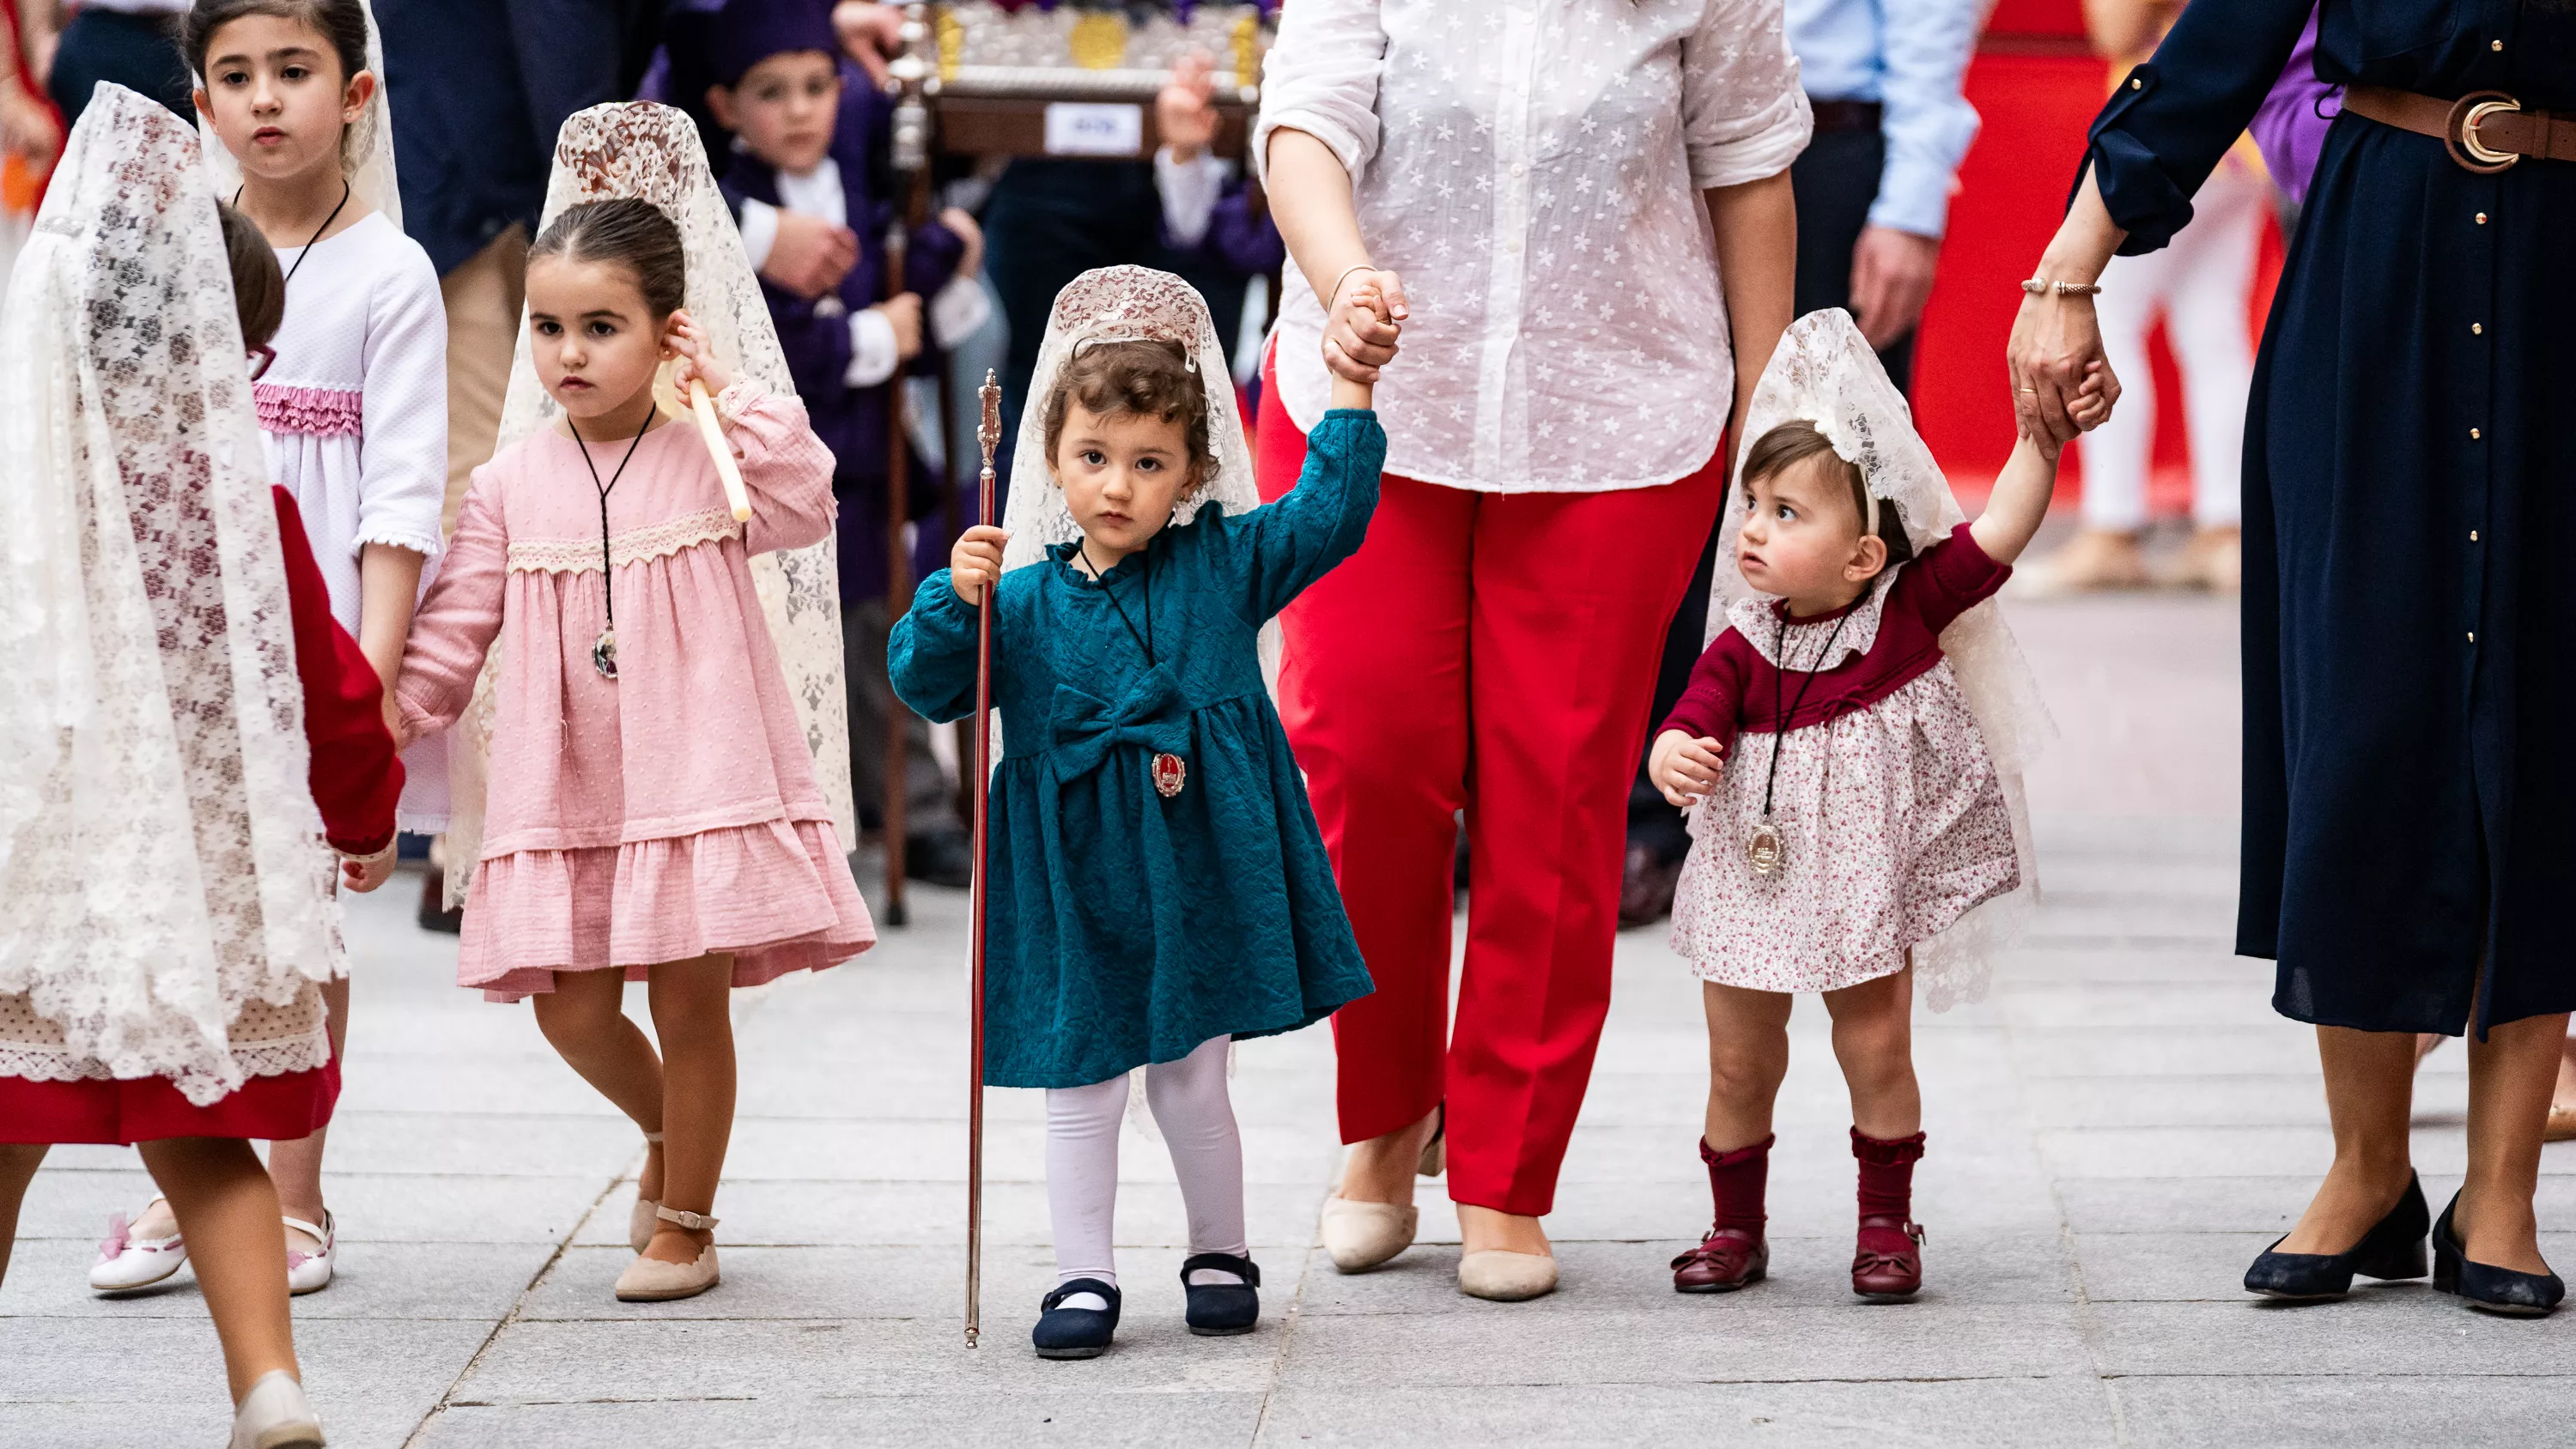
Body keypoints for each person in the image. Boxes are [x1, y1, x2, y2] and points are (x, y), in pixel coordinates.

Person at [2010, 0, 2573, 1317]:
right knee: (2363, 713)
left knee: (2547, 722)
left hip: (2564, 281)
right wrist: (2067, 275)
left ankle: (2502, 1193)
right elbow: (2217, 50)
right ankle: (2366, 1167)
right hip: (2376, 284)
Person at [1254, 0, 1809, 1300]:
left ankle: (1508, 1168)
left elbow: (1748, 164)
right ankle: (1384, 1121)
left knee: (1560, 786)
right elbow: (1303, 125)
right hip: (1368, 398)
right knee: (1360, 747)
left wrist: (1771, 420)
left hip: (1620, 417)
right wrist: (1347, 290)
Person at [0, 88, 402, 1449]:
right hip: (203, 883)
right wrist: (362, 814)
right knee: (206, 1140)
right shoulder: (241, 513)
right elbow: (332, 688)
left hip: (43, 882)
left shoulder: (20, 497)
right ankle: (269, 1390)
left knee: (2, 1135)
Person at [890, 265, 1382, 1359]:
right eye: (1094, 457)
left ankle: (1220, 1247)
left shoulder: (1225, 562)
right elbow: (927, 684)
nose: (1118, 484)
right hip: (1073, 872)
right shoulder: (1016, 596)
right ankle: (1081, 1273)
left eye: (1149, 462)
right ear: (1053, 461)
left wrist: (1349, 391)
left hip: (1199, 858)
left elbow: (1332, 514)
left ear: (1194, 473)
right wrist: (948, 594)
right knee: (1083, 1074)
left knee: (1193, 1074)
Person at [396, 192, 876, 1303]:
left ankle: (689, 1225)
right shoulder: (510, 482)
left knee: (688, 1003)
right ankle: (669, 1136)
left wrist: (729, 393)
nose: (569, 352)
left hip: (695, 770)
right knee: (571, 1007)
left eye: (601, 327)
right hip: (566, 784)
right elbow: (459, 624)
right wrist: (393, 711)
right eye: (549, 327)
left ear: (667, 331)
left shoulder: (711, 456)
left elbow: (807, 505)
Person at [99, 0, 445, 1300]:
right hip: (182, 632)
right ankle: (183, 1182)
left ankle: (295, 1198)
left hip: (318, 635)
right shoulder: (170, 250)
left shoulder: (390, 273)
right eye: (232, 75)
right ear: (197, 97)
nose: (263, 100)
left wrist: (381, 675)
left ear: (354, 92)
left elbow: (405, 491)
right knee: (181, 910)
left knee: (301, 927)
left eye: (293, 71)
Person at [1651, 311, 2087, 1298]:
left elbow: (2000, 535)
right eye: (1753, 504)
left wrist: (2037, 441)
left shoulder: (1904, 609)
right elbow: (1695, 708)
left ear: (1863, 554)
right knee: (1738, 1055)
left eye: (1789, 513)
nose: (1755, 527)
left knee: (1877, 1038)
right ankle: (1735, 1224)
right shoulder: (1743, 638)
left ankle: (1887, 1221)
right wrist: (1676, 746)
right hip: (1752, 876)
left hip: (1859, 874)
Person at [1624, 0, 1982, 925]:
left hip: (1826, 157)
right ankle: (1647, 783)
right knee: (1656, 468)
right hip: (1655, 146)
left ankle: (1840, 795)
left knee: (1826, 492)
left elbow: (1933, 21)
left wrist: (1909, 204)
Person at [375, 0, 656, 930]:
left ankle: (490, 827)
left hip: (477, 167)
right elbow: (565, 47)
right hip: (500, 190)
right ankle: (485, 829)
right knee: (491, 506)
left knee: (498, 499)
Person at [706, 0, 990, 885]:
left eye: (816, 87)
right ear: (727, 108)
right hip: (773, 476)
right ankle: (797, 817)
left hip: (863, 468)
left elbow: (917, 298)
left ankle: (916, 806)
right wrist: (877, 334)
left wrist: (935, 259)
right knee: (778, 646)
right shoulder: (733, 219)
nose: (798, 110)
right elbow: (765, 345)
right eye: (771, 92)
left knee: (883, 635)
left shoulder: (862, 190)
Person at [2026, 0, 2262, 595]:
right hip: (2248, 133)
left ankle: (2112, 529)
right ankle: (2225, 532)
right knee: (2213, 327)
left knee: (2109, 316)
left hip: (2171, 132)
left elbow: (2117, 29)